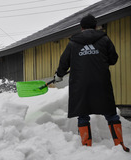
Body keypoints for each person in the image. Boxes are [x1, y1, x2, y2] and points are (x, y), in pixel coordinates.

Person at [54, 14, 129, 152]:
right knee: (110, 113)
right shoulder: (104, 39)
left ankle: (86, 147)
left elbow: (64, 62)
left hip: (80, 84)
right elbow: (113, 59)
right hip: (101, 82)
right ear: (95, 26)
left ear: (81, 27)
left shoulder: (73, 42)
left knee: (83, 113)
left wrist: (58, 75)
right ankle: (120, 145)